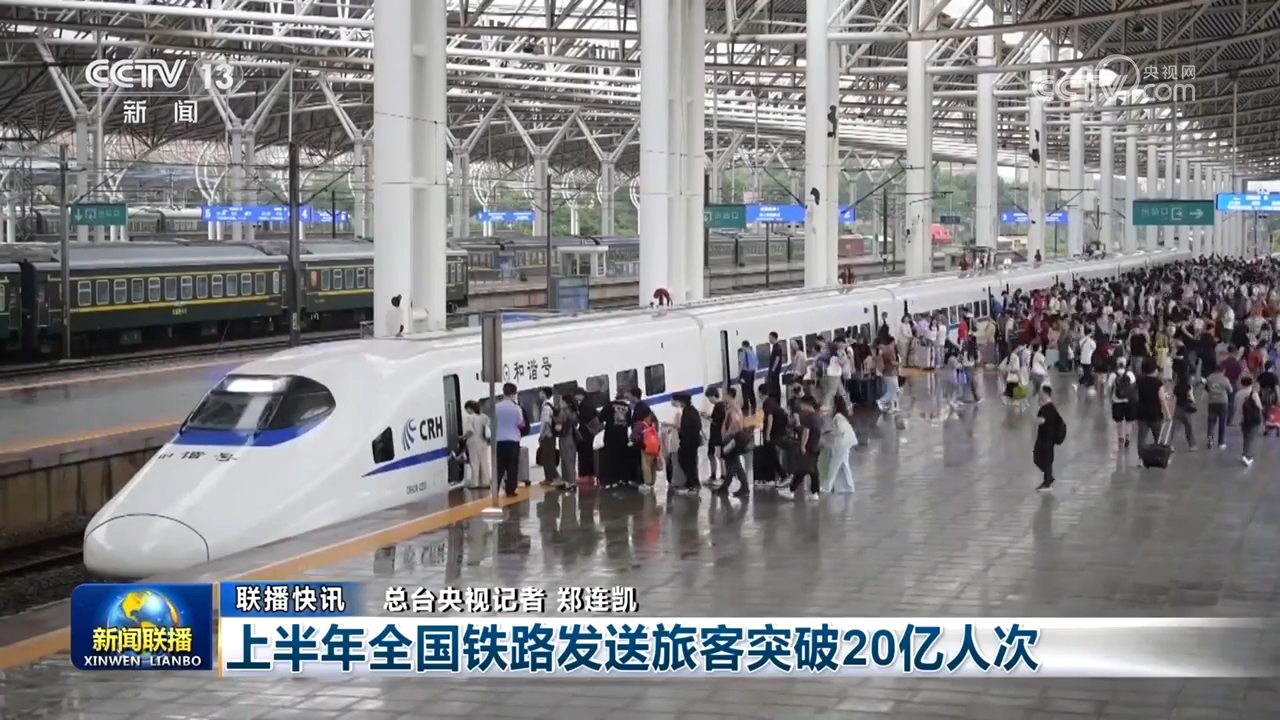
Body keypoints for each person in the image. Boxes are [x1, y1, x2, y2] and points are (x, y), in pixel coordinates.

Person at [781, 395, 822, 499]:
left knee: (801, 469)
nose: (801, 406)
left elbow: (806, 433)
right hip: (816, 446)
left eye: (802, 404)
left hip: (809, 446)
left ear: (808, 404)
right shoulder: (818, 416)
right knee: (813, 470)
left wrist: (803, 445)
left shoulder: (809, 417)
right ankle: (814, 492)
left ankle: (791, 490)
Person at [493, 383, 526, 497]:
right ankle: (510, 490)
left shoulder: (496, 407)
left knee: (499, 467)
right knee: (512, 466)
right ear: (514, 394)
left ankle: (495, 488)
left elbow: (492, 423)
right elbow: (521, 423)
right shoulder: (516, 408)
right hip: (513, 440)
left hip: (500, 440)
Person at [716, 388, 750, 497]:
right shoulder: (732, 407)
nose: (723, 397)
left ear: (728, 396)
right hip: (732, 439)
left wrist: (727, 436)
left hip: (731, 440)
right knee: (734, 464)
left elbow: (735, 424)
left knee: (733, 464)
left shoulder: (733, 409)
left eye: (724, 395)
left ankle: (741, 487)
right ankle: (727, 487)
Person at [820, 395, 858, 493]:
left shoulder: (837, 417)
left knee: (834, 466)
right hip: (847, 443)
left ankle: (827, 487)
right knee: (845, 465)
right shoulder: (841, 416)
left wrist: (830, 433)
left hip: (842, 444)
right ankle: (849, 487)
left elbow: (841, 430)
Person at [1033, 385, 1066, 491]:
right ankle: (1048, 479)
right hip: (1045, 437)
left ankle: (1048, 481)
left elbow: (1043, 420)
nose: (1039, 395)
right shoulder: (1047, 407)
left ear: (1045, 394)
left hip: (1047, 438)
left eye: (1041, 393)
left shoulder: (1048, 408)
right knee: (1042, 459)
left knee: (1043, 459)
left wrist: (1035, 420)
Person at [1133, 357, 1169, 449]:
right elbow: (1162, 400)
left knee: (1141, 439)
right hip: (1155, 414)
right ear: (1155, 370)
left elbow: (1135, 397)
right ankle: (1158, 454)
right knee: (1158, 438)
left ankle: (1142, 455)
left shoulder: (1139, 382)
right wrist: (1168, 414)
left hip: (1142, 414)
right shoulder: (1158, 383)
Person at [673, 392, 702, 493]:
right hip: (692, 441)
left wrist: (682, 435)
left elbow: (688, 428)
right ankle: (691, 482)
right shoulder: (691, 410)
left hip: (689, 442)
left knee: (687, 462)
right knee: (690, 462)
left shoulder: (688, 413)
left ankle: (693, 483)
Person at [462, 400, 492, 491]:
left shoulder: (470, 418)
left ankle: (475, 483)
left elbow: (470, 431)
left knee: (474, 463)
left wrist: (463, 437)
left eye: (466, 409)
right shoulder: (484, 417)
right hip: (483, 442)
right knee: (484, 463)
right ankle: (485, 482)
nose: (466, 411)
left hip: (474, 443)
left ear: (470, 408)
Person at [1109, 357, 1137, 448]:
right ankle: (1128, 438)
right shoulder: (1130, 374)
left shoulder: (1113, 375)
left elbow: (1109, 387)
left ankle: (1120, 438)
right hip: (1129, 401)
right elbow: (1134, 387)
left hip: (1117, 400)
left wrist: (1110, 398)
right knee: (1129, 421)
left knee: (1119, 421)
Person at [573, 388, 599, 485]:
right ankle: (590, 473)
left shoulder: (583, 405)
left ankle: (585, 474)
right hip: (591, 432)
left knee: (584, 454)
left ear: (580, 395)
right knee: (589, 453)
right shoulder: (590, 402)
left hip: (585, 432)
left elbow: (583, 418)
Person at [536, 387, 559, 486]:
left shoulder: (546, 407)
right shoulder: (549, 405)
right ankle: (548, 478)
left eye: (541, 393)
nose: (539, 394)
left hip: (547, 436)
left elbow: (545, 423)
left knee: (548, 458)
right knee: (547, 457)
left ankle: (555, 477)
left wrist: (541, 435)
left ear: (545, 394)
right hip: (550, 435)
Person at [703, 387, 727, 486]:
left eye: (709, 398)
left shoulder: (719, 406)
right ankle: (714, 475)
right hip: (715, 436)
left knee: (718, 456)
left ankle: (722, 476)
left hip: (717, 436)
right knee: (712, 455)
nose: (709, 400)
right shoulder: (720, 406)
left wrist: (707, 417)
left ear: (713, 396)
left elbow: (716, 421)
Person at [1238, 375, 1263, 467]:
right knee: (1251, 438)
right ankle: (1247, 456)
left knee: (1246, 437)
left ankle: (1245, 453)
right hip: (1253, 419)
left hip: (1242, 419)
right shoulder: (1254, 394)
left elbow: (1236, 408)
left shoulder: (1238, 394)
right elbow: (1259, 407)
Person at [1204, 365, 1231, 449]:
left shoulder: (1209, 378)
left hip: (1212, 401)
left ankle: (1210, 438)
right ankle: (1220, 442)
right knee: (1222, 423)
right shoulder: (1225, 379)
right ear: (1223, 370)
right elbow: (1230, 390)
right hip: (1222, 402)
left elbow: (1206, 387)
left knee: (1211, 421)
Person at [555, 393, 578, 490]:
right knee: (571, 460)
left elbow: (558, 427)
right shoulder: (573, 411)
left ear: (565, 402)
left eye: (561, 401)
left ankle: (570, 482)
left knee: (566, 461)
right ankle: (569, 481)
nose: (560, 403)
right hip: (572, 438)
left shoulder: (563, 412)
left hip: (564, 439)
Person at [1171, 373, 1197, 451]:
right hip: (1186, 408)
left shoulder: (1176, 387)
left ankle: (1170, 445)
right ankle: (1192, 445)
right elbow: (1191, 397)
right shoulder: (1188, 387)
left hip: (1178, 408)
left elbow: (1173, 396)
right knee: (1188, 428)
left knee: (1173, 428)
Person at [737, 341, 758, 417]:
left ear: (743, 346)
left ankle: (746, 406)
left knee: (745, 390)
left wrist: (739, 375)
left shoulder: (743, 353)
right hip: (752, 373)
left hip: (745, 374)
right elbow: (756, 364)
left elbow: (741, 364)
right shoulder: (753, 353)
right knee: (751, 389)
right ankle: (753, 404)